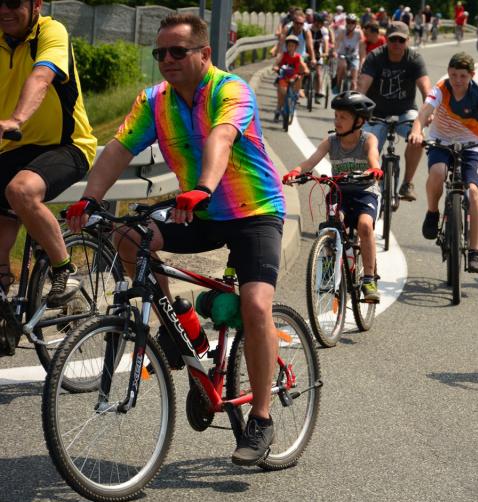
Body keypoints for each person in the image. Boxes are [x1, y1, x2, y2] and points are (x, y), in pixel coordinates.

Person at [65, 13, 286, 465]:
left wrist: (203, 185)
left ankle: (261, 418)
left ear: (205, 53)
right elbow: (118, 149)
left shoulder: (230, 90)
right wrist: (89, 199)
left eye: (178, 51)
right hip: (199, 211)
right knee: (128, 236)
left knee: (255, 305)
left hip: (253, 211)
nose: (167, 59)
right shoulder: (154, 101)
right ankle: (177, 331)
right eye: (160, 52)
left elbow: (222, 137)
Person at [0, 0, 96, 306]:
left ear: (37, 5)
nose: (4, 10)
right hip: (13, 148)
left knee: (21, 190)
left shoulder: (51, 32)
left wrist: (16, 119)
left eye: (13, 2)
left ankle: (64, 269)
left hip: (67, 146)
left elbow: (41, 77)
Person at [408, 53, 478, 274]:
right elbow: (424, 112)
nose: (457, 80)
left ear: (471, 75)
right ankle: (432, 212)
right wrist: (417, 131)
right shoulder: (440, 89)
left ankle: (474, 250)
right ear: (448, 72)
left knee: (472, 192)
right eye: (453, 75)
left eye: (463, 76)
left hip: (471, 144)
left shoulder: (477, 92)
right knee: (437, 172)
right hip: (441, 142)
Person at [282, 92, 383, 303]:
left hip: (365, 192)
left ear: (359, 121)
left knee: (365, 226)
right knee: (332, 226)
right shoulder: (331, 141)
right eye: (336, 116)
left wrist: (374, 169)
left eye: (343, 117)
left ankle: (369, 279)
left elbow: (373, 156)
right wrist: (295, 172)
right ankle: (329, 271)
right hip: (340, 192)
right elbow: (310, 162)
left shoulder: (367, 139)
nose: (337, 121)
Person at [358, 21, 430, 202]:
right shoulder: (375, 57)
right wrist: (358, 110)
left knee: (418, 139)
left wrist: (429, 112)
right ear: (386, 39)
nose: (397, 44)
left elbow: (426, 90)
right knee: (367, 148)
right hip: (376, 113)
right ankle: (368, 190)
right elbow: (362, 85)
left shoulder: (414, 59)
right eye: (393, 39)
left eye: (401, 40)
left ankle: (407, 183)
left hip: (405, 112)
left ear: (408, 41)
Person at [273, 34, 308, 121]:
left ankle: (297, 92)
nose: (291, 47)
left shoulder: (298, 56)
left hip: (294, 77)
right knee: (281, 95)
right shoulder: (283, 55)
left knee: (299, 77)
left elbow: (303, 64)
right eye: (289, 46)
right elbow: (276, 63)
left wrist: (306, 70)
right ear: (286, 46)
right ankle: (278, 110)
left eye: (293, 46)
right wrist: (275, 67)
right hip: (283, 77)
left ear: (296, 47)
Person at [333, 14, 365, 92]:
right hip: (342, 54)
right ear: (346, 22)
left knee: (354, 77)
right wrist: (334, 52)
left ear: (355, 23)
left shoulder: (359, 32)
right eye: (348, 22)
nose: (350, 24)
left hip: (354, 56)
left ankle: (352, 93)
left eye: (353, 22)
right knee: (342, 66)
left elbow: (362, 46)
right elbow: (337, 42)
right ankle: (338, 85)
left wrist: (362, 60)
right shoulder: (342, 31)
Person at [309, 12, 330, 102]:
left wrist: (326, 52)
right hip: (307, 51)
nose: (319, 24)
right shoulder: (308, 28)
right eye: (318, 22)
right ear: (314, 21)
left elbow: (326, 41)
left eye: (321, 22)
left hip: (318, 52)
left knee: (318, 73)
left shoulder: (324, 30)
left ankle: (318, 92)